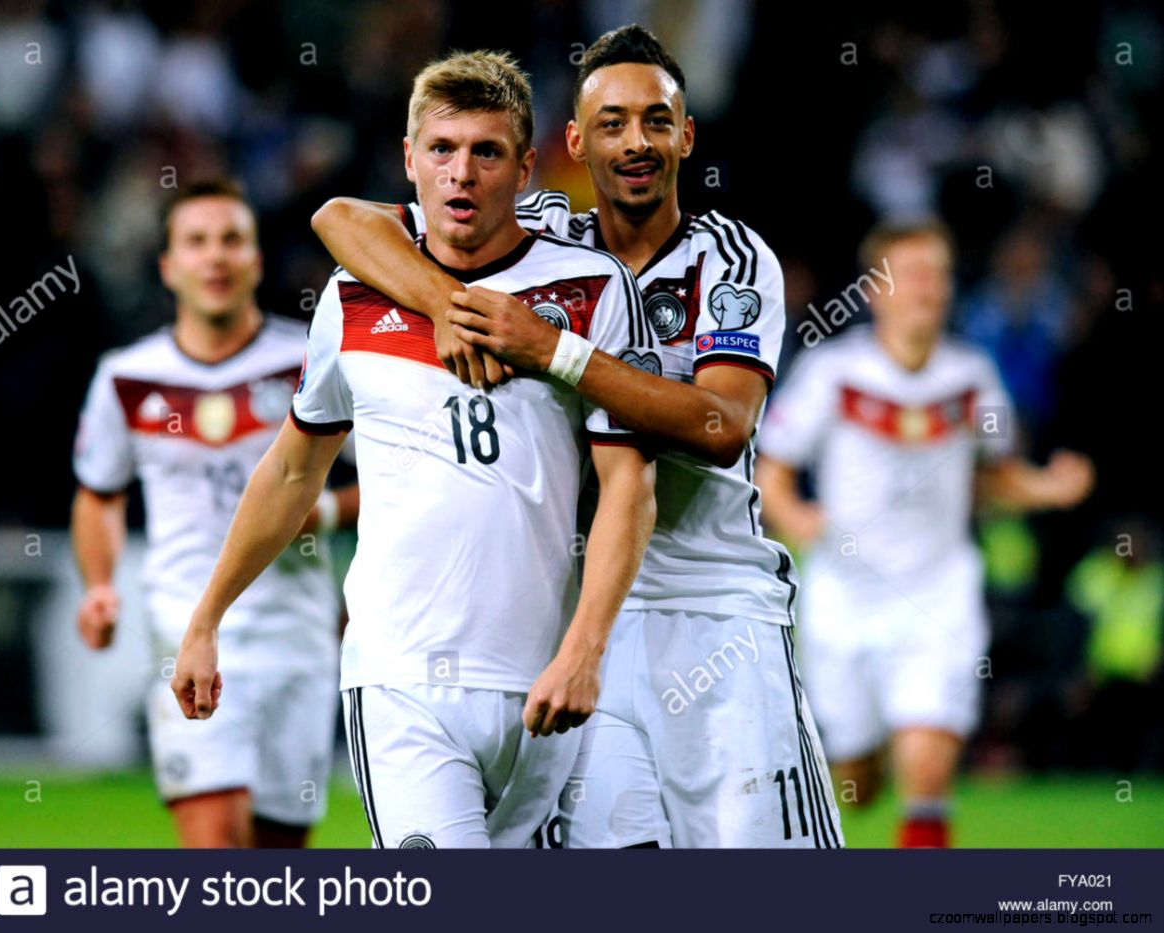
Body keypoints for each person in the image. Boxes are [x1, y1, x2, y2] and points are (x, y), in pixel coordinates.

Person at [310, 25, 841, 849]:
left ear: (685, 136)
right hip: (587, 614)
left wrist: (552, 348)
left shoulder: (730, 260)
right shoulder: (550, 237)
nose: (636, 141)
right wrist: (445, 304)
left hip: (715, 607)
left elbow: (720, 425)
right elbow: (342, 219)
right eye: (612, 122)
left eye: (656, 121)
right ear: (573, 144)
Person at [172, 51, 658, 849]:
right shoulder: (353, 296)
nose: (460, 173)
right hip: (399, 678)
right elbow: (295, 466)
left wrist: (583, 651)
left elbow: (625, 489)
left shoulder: (590, 289)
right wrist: (206, 616)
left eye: (486, 151)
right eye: (441, 149)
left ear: (526, 167)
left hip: (545, 677)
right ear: (408, 160)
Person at [755, 220, 1095, 847]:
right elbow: (772, 464)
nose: (926, 288)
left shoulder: (973, 377)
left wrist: (1048, 488)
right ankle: (863, 754)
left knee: (928, 766)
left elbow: (992, 480)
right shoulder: (833, 371)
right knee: (856, 783)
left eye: (936, 274)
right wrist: (795, 517)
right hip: (843, 594)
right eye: (910, 274)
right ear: (877, 289)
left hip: (940, 590)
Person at [71, 178, 358, 848]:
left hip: (299, 641)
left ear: (256, 260)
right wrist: (100, 584)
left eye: (232, 239)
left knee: (276, 859)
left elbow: (398, 473)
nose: (216, 257)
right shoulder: (127, 375)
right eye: (196, 242)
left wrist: (325, 512)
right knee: (216, 850)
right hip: (187, 629)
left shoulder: (313, 360)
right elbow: (98, 493)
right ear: (169, 266)